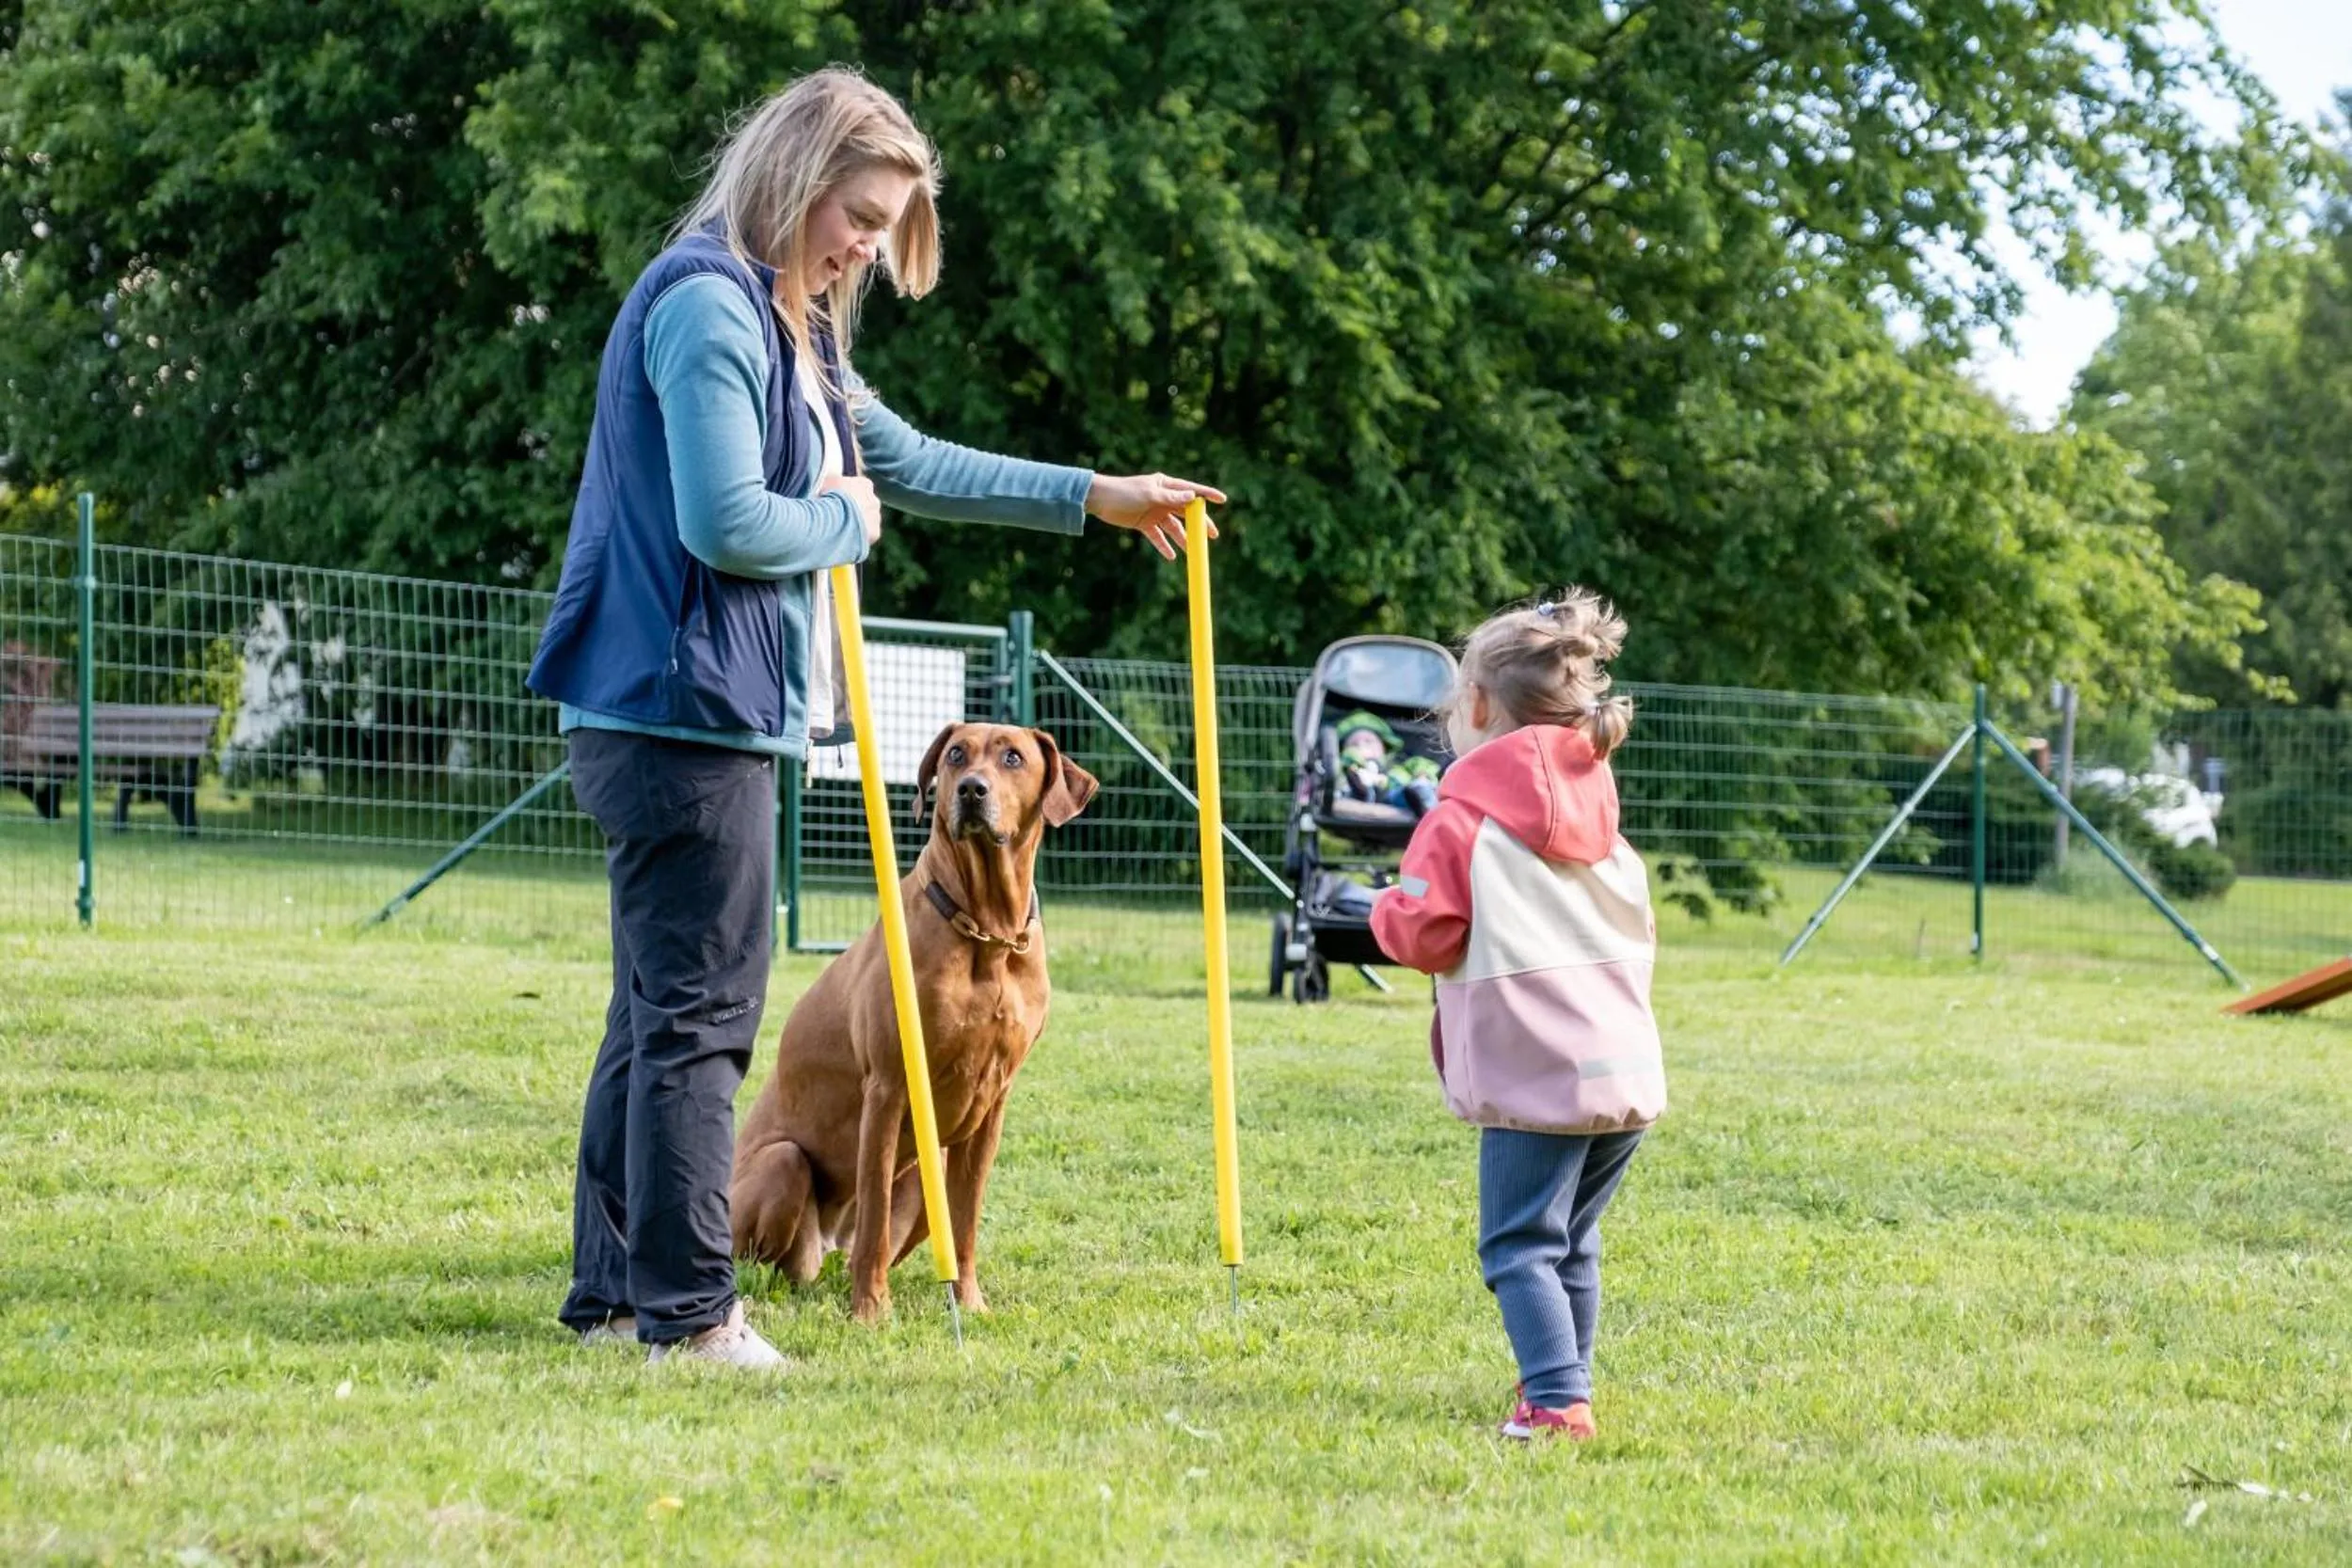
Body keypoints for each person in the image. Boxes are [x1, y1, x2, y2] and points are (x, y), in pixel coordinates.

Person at [525, 69, 1223, 1369]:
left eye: (883, 225)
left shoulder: (798, 326)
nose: (863, 246)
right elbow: (728, 520)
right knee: (698, 1016)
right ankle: (685, 1314)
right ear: (792, 177)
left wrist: (1094, 493)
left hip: (702, 709)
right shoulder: (706, 309)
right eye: (856, 213)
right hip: (677, 712)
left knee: (652, 1011)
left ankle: (613, 1289)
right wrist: (845, 520)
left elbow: (908, 457)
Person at [1369, 591, 1665, 1440]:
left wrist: (1385, 908)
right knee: (1571, 1238)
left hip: (1535, 1068)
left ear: (1479, 707)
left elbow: (1422, 932)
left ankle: (1556, 1399)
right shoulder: (1601, 815)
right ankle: (1564, 1376)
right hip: (1624, 1068)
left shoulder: (1461, 819)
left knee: (1518, 1246)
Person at [1330, 708, 1440, 816]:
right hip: (1361, 798)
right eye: (1354, 744)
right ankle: (1361, 794)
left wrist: (1423, 776)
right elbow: (1338, 772)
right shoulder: (1346, 770)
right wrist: (1353, 760)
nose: (1362, 746)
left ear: (1383, 745)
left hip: (1398, 797)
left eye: (1368, 741)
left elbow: (1422, 765)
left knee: (1413, 790)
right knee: (1351, 791)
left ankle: (1421, 798)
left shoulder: (1399, 767)